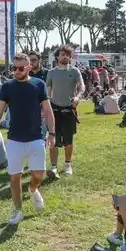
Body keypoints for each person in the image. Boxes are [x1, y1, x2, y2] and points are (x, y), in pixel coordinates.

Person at [0, 53, 55, 226]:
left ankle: (33, 189)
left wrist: (53, 133)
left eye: (20, 68)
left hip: (36, 138)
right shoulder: (8, 87)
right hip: (15, 140)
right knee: (14, 177)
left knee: (38, 174)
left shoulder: (38, 84)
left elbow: (48, 111)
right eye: (14, 68)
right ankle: (18, 210)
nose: (16, 72)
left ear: (28, 67)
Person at [46, 45, 84, 178]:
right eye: (62, 54)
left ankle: (67, 165)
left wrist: (78, 97)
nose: (65, 56)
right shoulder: (51, 72)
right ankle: (54, 167)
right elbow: (47, 92)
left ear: (70, 57)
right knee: (53, 140)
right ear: (57, 57)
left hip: (69, 111)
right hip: (54, 111)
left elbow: (81, 87)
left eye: (67, 54)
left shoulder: (75, 71)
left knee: (69, 141)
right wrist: (45, 107)